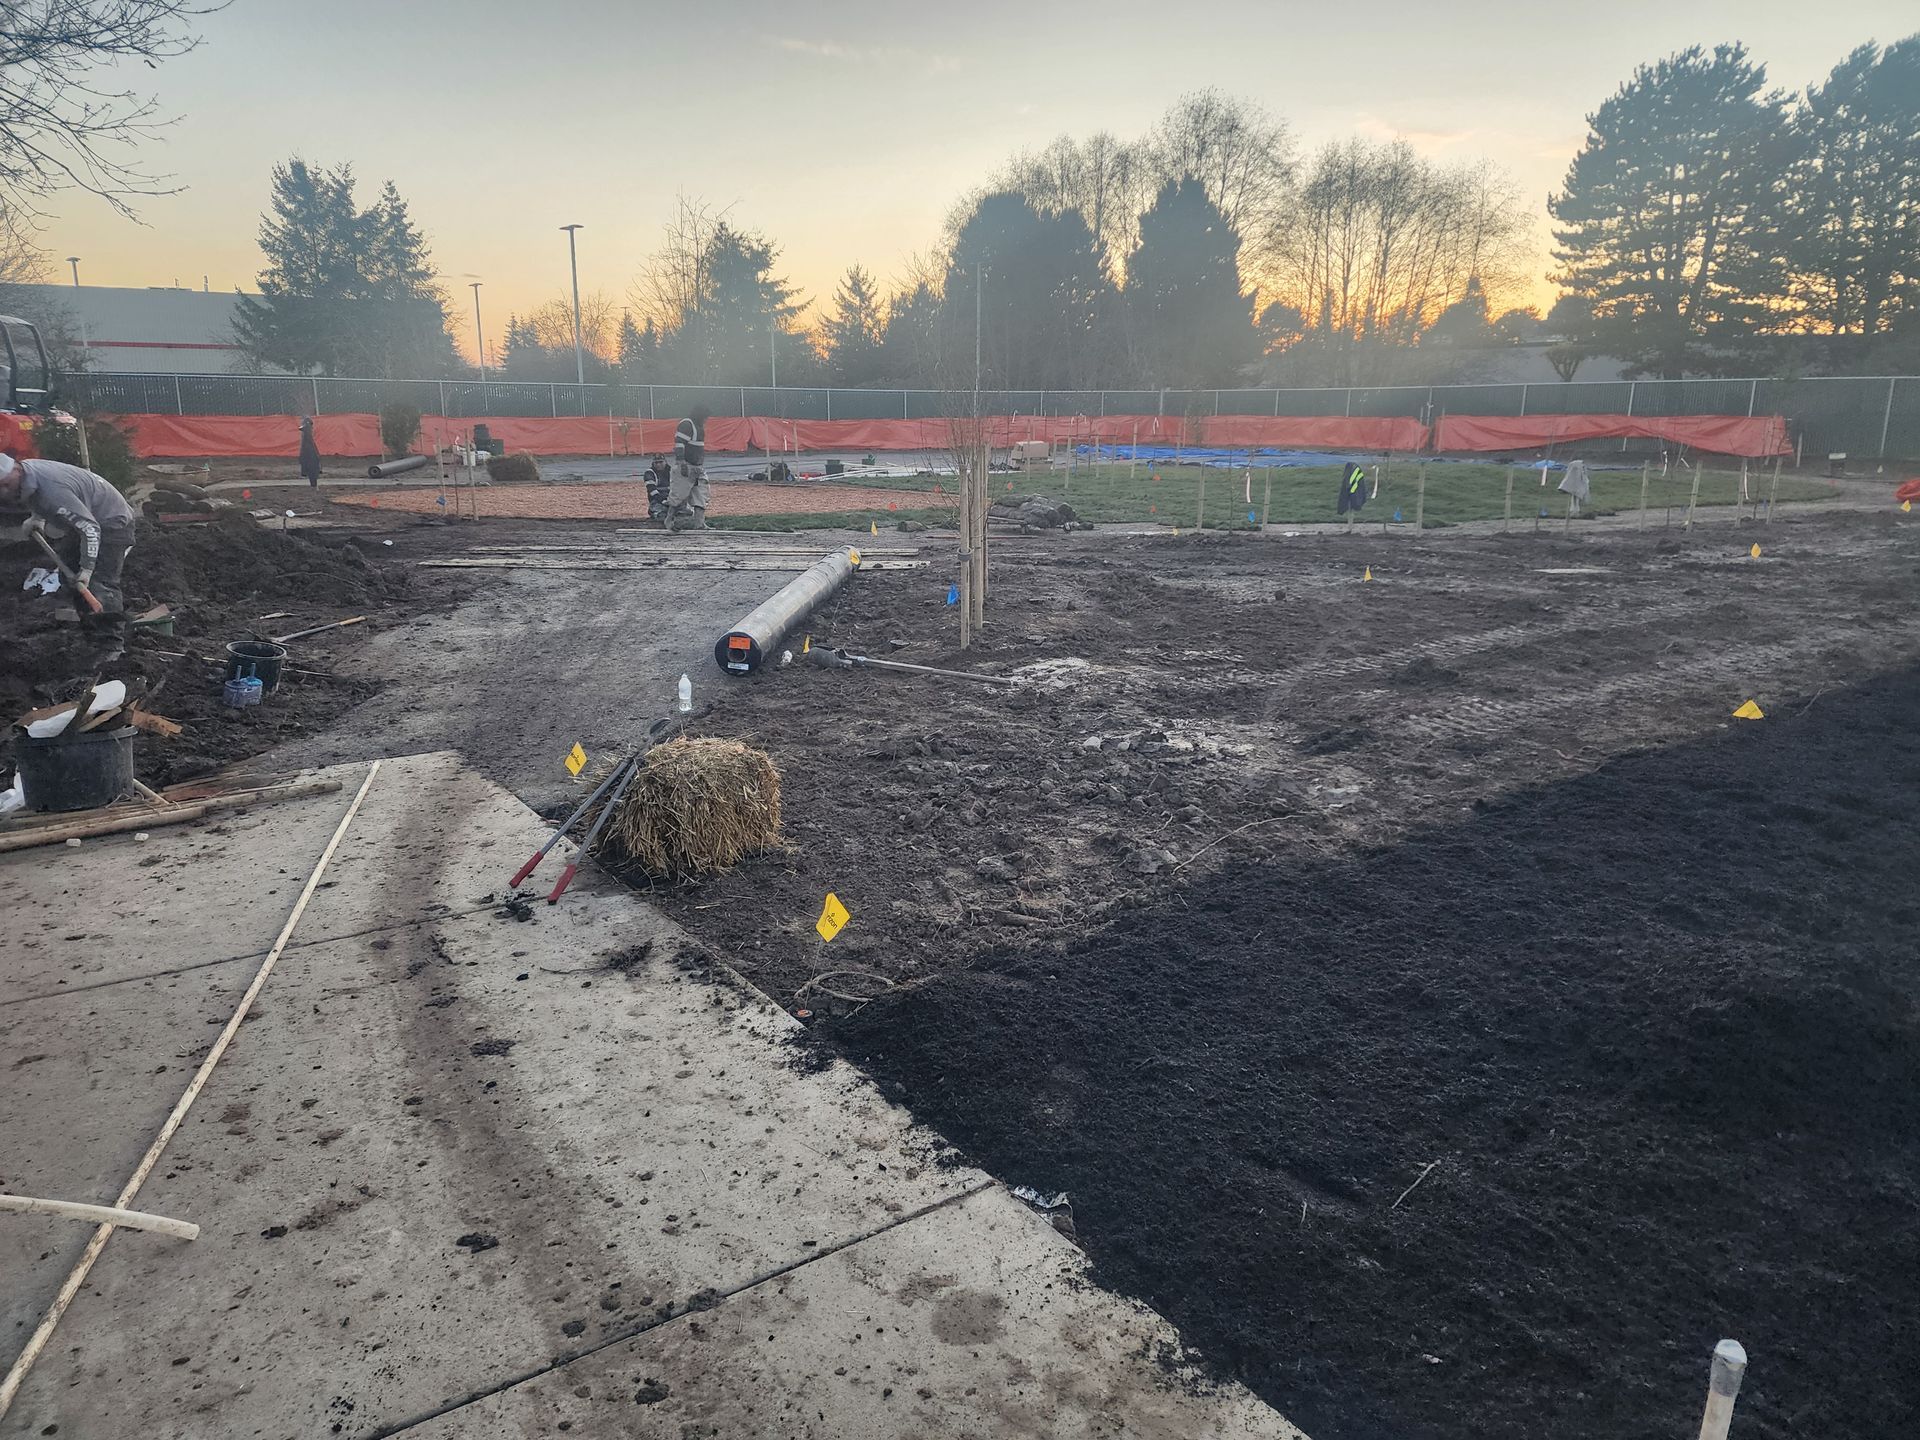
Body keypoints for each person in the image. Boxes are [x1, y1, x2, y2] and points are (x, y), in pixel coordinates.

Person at [669, 403, 711, 531]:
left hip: (697, 468)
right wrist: (681, 463)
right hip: (686, 466)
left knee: (701, 495)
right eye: (705, 417)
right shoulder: (686, 424)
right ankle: (669, 520)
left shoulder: (699, 427)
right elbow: (679, 444)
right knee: (679, 495)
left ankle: (699, 523)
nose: (706, 420)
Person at [644, 454, 672, 524]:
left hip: (673, 500)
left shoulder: (672, 471)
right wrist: (664, 501)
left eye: (661, 462)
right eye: (656, 463)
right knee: (661, 517)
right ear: (653, 463)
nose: (658, 465)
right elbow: (652, 491)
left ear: (665, 462)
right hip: (657, 502)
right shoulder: (649, 473)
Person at [298, 416, 322, 487]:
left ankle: (307, 474)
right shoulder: (307, 435)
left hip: (308, 453)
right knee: (310, 462)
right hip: (309, 452)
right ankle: (312, 479)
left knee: (309, 462)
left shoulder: (307, 435)